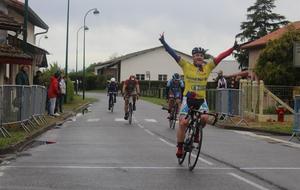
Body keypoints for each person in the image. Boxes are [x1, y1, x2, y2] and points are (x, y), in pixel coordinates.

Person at [159, 33, 239, 158]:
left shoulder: (208, 67)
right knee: (183, 123)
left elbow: (220, 57)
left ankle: (196, 132)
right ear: (193, 57)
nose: (199, 57)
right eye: (196, 55)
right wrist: (164, 43)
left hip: (201, 100)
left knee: (204, 118)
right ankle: (180, 147)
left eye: (201, 55)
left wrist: (232, 49)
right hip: (188, 99)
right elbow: (173, 54)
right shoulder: (186, 65)